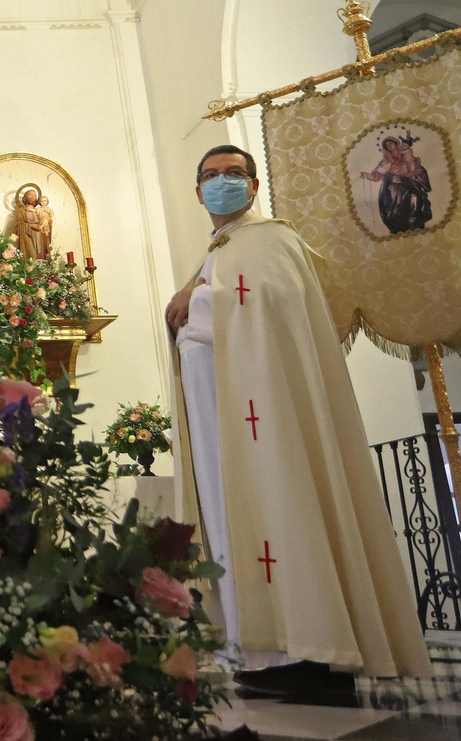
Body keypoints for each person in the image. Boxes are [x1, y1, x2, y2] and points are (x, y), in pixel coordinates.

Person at [165, 144, 431, 693]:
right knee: (236, 520)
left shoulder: (271, 242)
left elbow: (264, 307)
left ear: (255, 186)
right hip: (224, 419)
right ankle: (260, 653)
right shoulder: (221, 249)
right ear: (197, 193)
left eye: (234, 174)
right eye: (211, 177)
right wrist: (195, 297)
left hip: (268, 420)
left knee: (284, 508)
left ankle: (310, 650)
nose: (222, 184)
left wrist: (197, 301)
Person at [358, 132, 432, 233]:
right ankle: (398, 228)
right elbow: (377, 175)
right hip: (391, 188)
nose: (389, 146)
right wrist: (367, 175)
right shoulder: (387, 160)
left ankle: (414, 224)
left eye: (391, 143)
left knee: (416, 196)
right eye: (387, 145)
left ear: (396, 143)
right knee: (395, 212)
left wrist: (416, 172)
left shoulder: (407, 156)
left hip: (407, 185)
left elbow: (415, 170)